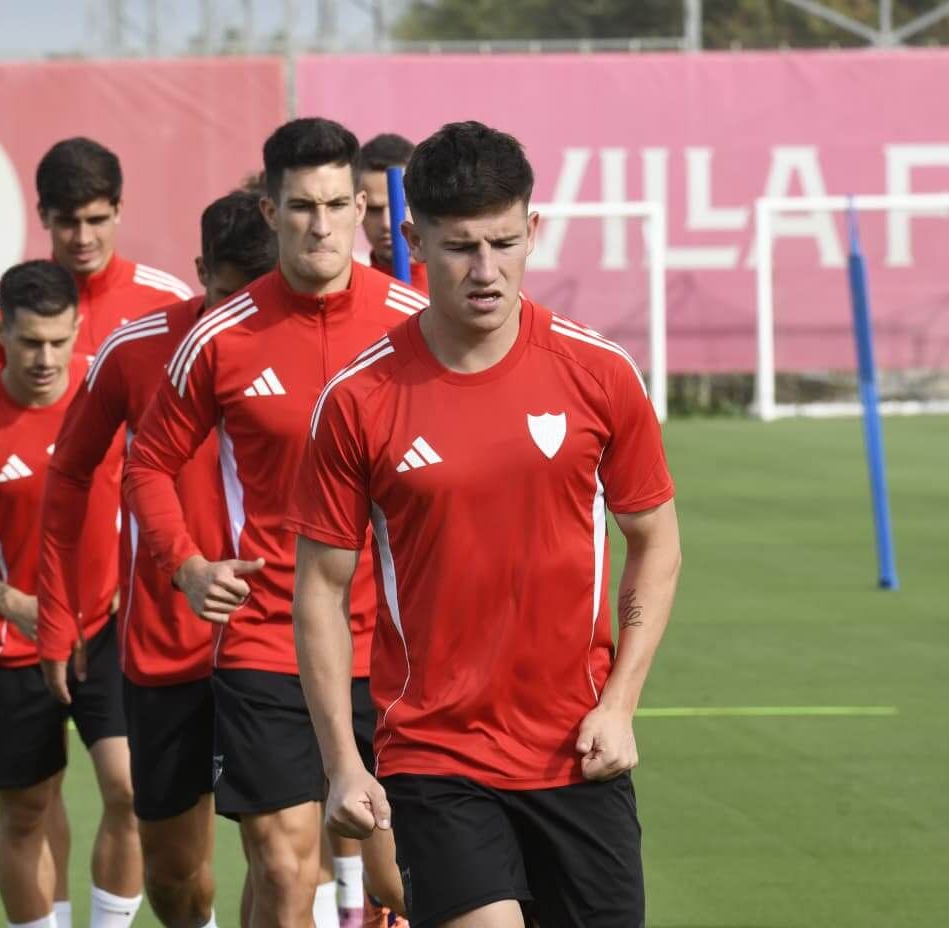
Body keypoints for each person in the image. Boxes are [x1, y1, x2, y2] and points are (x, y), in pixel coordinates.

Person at [288, 121, 682, 928]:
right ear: (413, 238)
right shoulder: (360, 400)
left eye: (504, 242)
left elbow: (655, 542)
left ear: (532, 231)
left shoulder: (601, 374)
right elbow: (321, 590)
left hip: (577, 754)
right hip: (435, 755)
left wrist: (621, 703)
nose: (485, 269)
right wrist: (342, 762)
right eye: (461, 245)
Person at [124, 117, 423, 928]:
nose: (320, 225)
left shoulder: (413, 321)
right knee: (286, 866)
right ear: (270, 212)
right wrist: (185, 565)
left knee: (408, 883)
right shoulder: (220, 337)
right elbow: (145, 462)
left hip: (397, 643)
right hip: (269, 638)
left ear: (363, 206)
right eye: (300, 207)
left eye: (335, 204)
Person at [36, 188, 278, 928]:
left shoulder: (311, 352)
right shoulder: (138, 349)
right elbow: (70, 473)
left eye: (261, 295)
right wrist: (56, 617)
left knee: (282, 851)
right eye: (230, 294)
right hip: (166, 653)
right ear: (202, 271)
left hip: (276, 648)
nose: (246, 314)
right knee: (176, 880)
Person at [0, 260, 143, 928]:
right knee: (25, 811)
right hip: (11, 646)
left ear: (77, 329)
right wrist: (22, 607)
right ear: (2, 337)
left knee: (130, 791)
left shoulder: (111, 390)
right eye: (29, 343)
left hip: (105, 632)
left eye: (58, 340)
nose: (46, 358)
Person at [0, 137, 193, 385]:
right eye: (68, 222)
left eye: (96, 220)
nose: (83, 239)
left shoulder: (172, 301)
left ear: (118, 210)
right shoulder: (1, 305)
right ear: (43, 215)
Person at [358, 133, 427, 292]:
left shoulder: (457, 289)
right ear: (357, 208)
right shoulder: (353, 294)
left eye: (401, 205)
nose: (387, 224)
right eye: (374, 209)